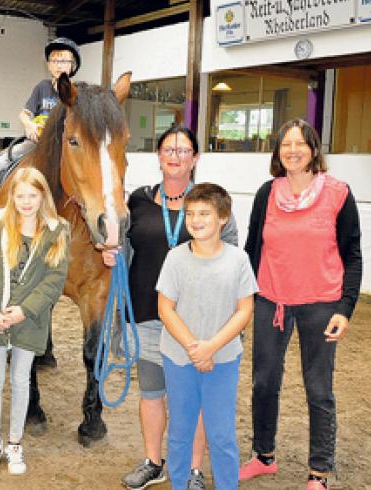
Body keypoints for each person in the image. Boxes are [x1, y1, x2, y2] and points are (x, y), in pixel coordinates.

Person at [108, 125, 238, 490]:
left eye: (183, 151)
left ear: (195, 158)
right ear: (159, 156)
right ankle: (153, 461)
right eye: (169, 149)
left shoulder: (211, 204)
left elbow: (232, 259)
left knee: (193, 401)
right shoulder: (137, 201)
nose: (175, 156)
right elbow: (123, 249)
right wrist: (111, 256)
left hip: (198, 323)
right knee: (151, 392)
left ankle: (193, 469)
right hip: (148, 313)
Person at [239, 119, 362, 490]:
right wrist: (244, 296)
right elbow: (251, 250)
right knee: (264, 383)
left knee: (319, 389)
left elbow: (352, 255)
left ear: (313, 149)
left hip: (321, 305)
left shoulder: (338, 193)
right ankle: (264, 456)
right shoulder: (267, 193)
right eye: (285, 144)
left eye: (300, 144)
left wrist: (345, 308)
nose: (292, 150)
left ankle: (319, 472)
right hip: (271, 301)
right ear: (278, 152)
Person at [156, 183, 257, 490]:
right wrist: (193, 348)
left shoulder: (239, 260)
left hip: (223, 360)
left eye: (205, 213)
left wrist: (210, 347)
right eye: (191, 213)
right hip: (179, 358)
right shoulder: (175, 258)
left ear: (223, 217)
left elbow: (244, 310)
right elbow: (165, 308)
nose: (196, 219)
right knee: (180, 432)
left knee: (221, 433)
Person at [0, 167, 70, 476]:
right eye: (20, 195)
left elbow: (54, 280)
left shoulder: (56, 231)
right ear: (12, 196)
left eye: (32, 195)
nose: (26, 202)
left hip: (30, 320)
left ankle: (15, 442)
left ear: (42, 197)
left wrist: (25, 310)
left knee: (20, 380)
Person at [0, 37, 81, 228]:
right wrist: (29, 126)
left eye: (64, 60)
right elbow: (24, 114)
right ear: (48, 65)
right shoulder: (42, 88)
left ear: (73, 66)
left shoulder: (76, 93)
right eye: (54, 60)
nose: (58, 65)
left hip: (64, 148)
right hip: (36, 143)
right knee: (0, 161)